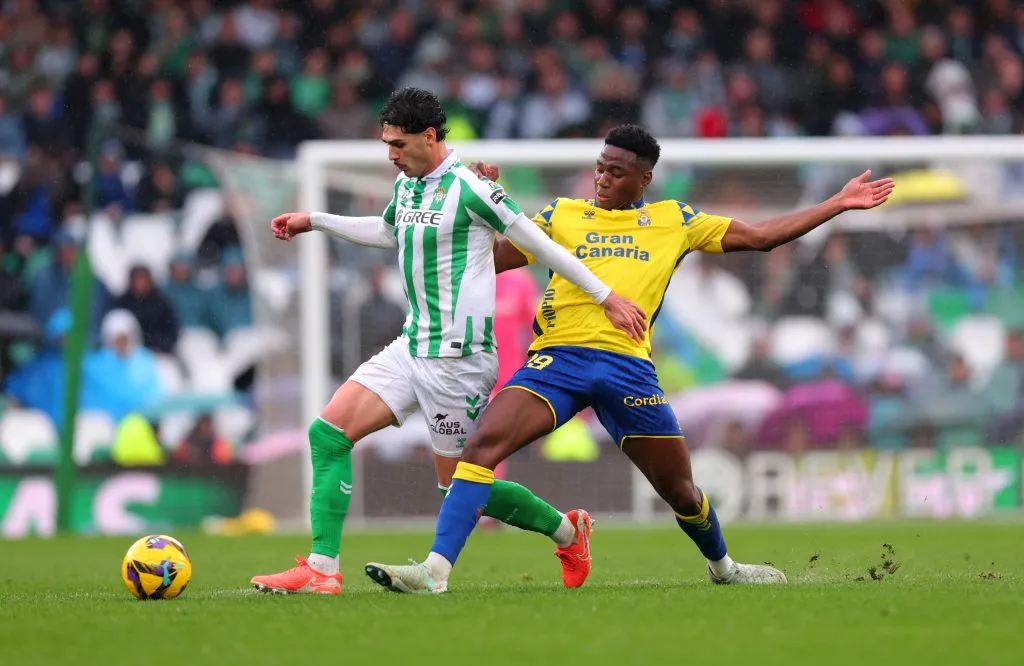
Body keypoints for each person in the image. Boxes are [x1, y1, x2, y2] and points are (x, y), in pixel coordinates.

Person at [364, 123, 895, 593]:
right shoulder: (561, 216)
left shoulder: (675, 221)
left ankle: (725, 567)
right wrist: (478, 202)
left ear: (643, 179)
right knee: (479, 447)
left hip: (628, 370)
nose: (602, 179)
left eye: (616, 172)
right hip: (557, 361)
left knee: (681, 491)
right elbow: (482, 261)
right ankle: (435, 572)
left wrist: (836, 204)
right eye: (599, 168)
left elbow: (760, 237)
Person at [250, 88, 645, 595]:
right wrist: (316, 220)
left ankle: (568, 532)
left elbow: (542, 245)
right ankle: (321, 569)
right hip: (411, 345)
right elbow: (388, 230)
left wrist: (606, 296)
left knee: (458, 484)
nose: (390, 154)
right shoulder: (407, 185)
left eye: (398, 143)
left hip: (459, 362)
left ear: (429, 136)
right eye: (386, 144)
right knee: (328, 434)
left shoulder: (474, 188)